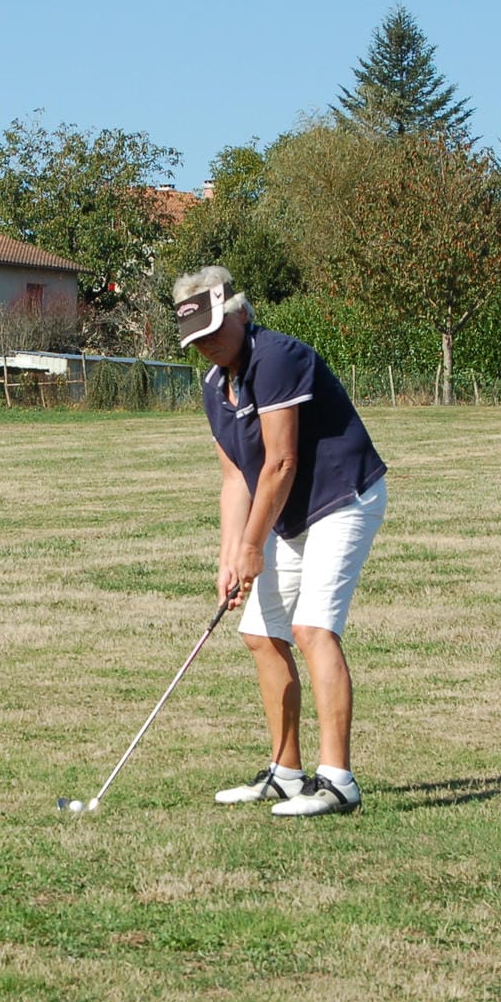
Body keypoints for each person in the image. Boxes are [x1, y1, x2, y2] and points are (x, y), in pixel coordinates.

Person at [174, 266, 388, 817]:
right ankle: (286, 772)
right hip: (288, 512)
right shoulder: (212, 387)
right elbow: (235, 480)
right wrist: (229, 555)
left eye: (214, 332)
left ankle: (338, 780)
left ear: (239, 313)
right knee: (261, 633)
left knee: (312, 627)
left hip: (341, 498)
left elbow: (282, 461)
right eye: (196, 341)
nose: (208, 347)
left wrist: (251, 548)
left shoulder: (277, 358)